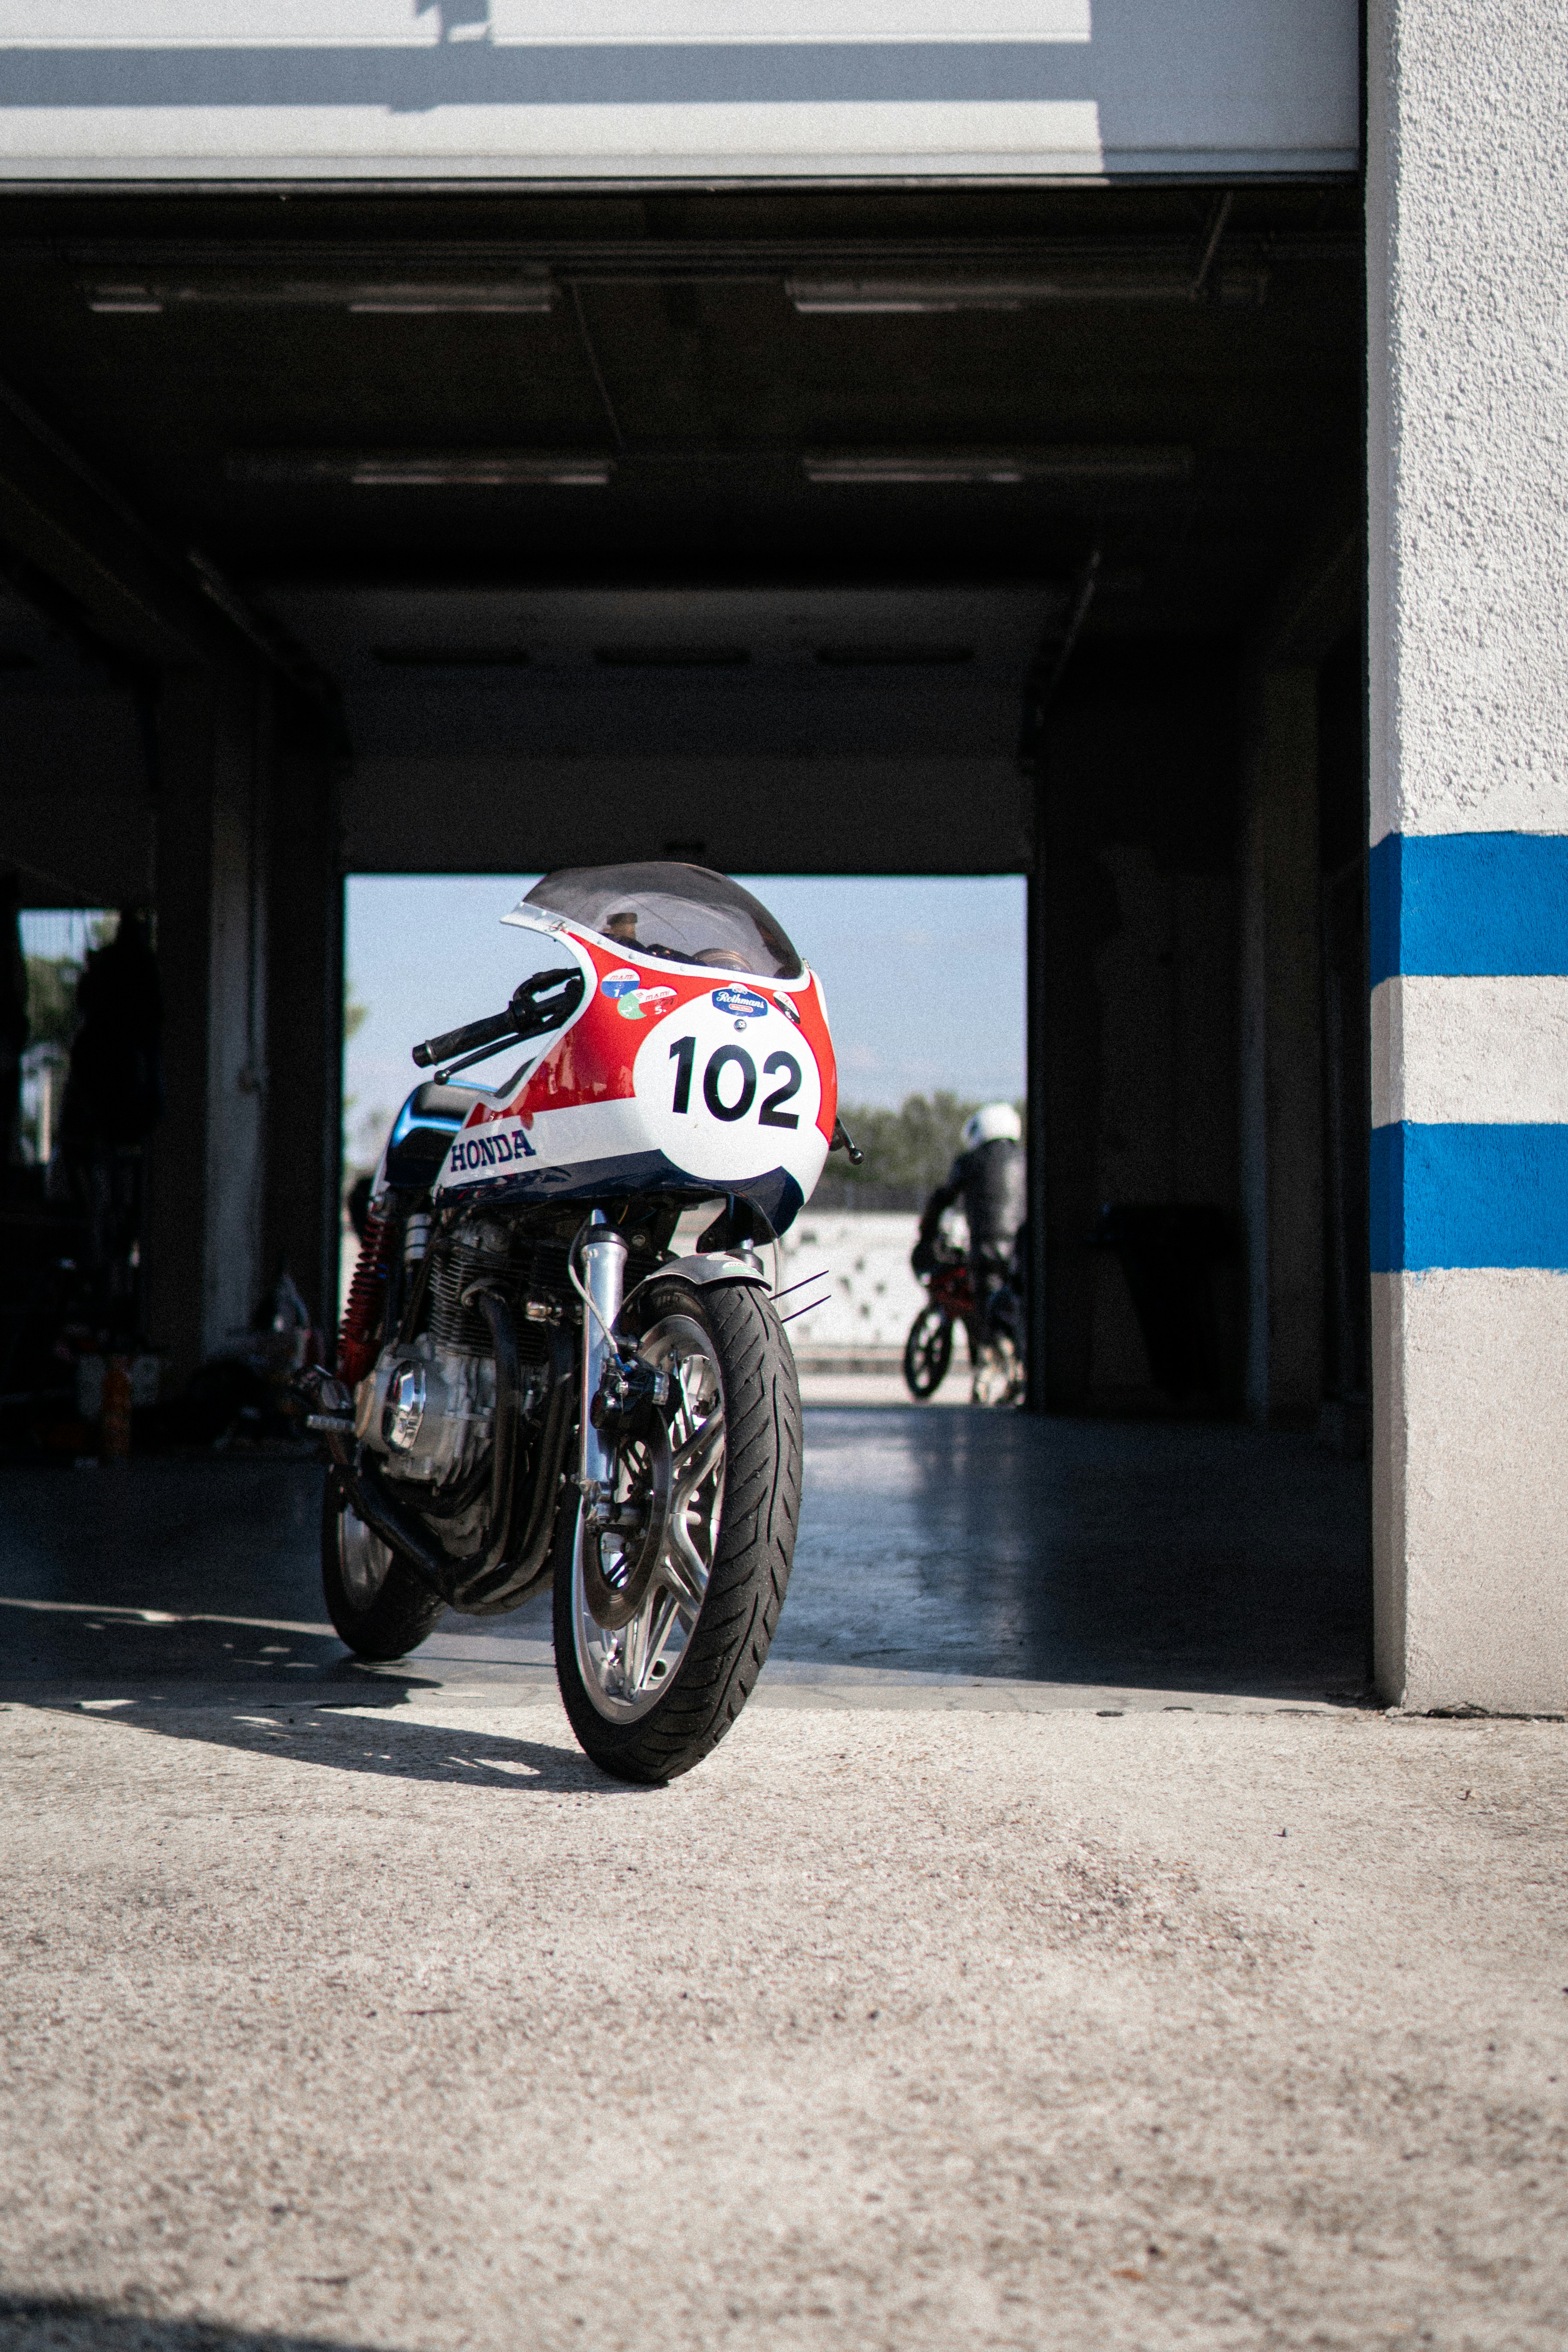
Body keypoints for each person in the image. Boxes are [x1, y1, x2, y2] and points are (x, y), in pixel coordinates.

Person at [912, 1102, 1026, 1321]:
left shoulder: (970, 1162)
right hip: (1021, 1251)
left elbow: (942, 1200)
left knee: (986, 1319)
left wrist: (927, 1233)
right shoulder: (1026, 1160)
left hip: (986, 1252)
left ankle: (988, 1346)